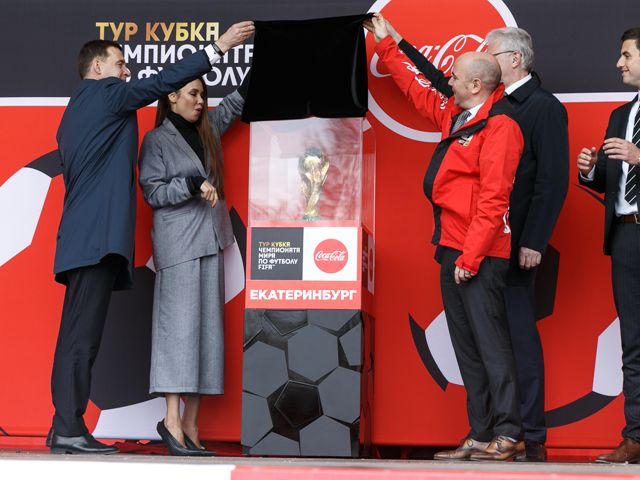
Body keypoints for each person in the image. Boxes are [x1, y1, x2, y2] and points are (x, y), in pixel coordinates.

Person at [49, 21, 255, 455]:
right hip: (94, 241)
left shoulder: (77, 111)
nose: (127, 72)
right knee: (81, 339)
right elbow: (160, 83)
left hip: (86, 240)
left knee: (79, 336)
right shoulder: (105, 95)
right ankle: (67, 426)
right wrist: (218, 47)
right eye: (120, 64)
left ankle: (64, 424)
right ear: (98, 67)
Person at [372, 21, 569, 462]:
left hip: (479, 253)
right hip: (451, 246)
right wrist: (386, 45)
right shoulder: (457, 117)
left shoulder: (502, 127)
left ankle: (510, 433)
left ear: (477, 85)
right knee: (467, 346)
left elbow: (495, 199)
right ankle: (480, 433)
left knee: (493, 344)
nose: (450, 82)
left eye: (457, 78)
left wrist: (472, 255)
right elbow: (415, 89)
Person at [138, 76, 245, 456]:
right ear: (172, 96)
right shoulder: (156, 140)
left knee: (207, 337)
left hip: (211, 240)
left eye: (203, 95)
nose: (201, 101)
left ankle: (191, 426)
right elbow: (153, 191)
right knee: (178, 335)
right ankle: (171, 421)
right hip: (179, 245)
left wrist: (265, 61)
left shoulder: (208, 129)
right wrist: (191, 183)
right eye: (193, 94)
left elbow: (235, 103)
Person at [577, 27, 640, 464]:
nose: (619, 63)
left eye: (626, 55)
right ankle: (635, 437)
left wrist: (639, 157)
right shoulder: (621, 114)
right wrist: (591, 170)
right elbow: (610, 180)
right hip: (627, 235)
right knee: (633, 342)